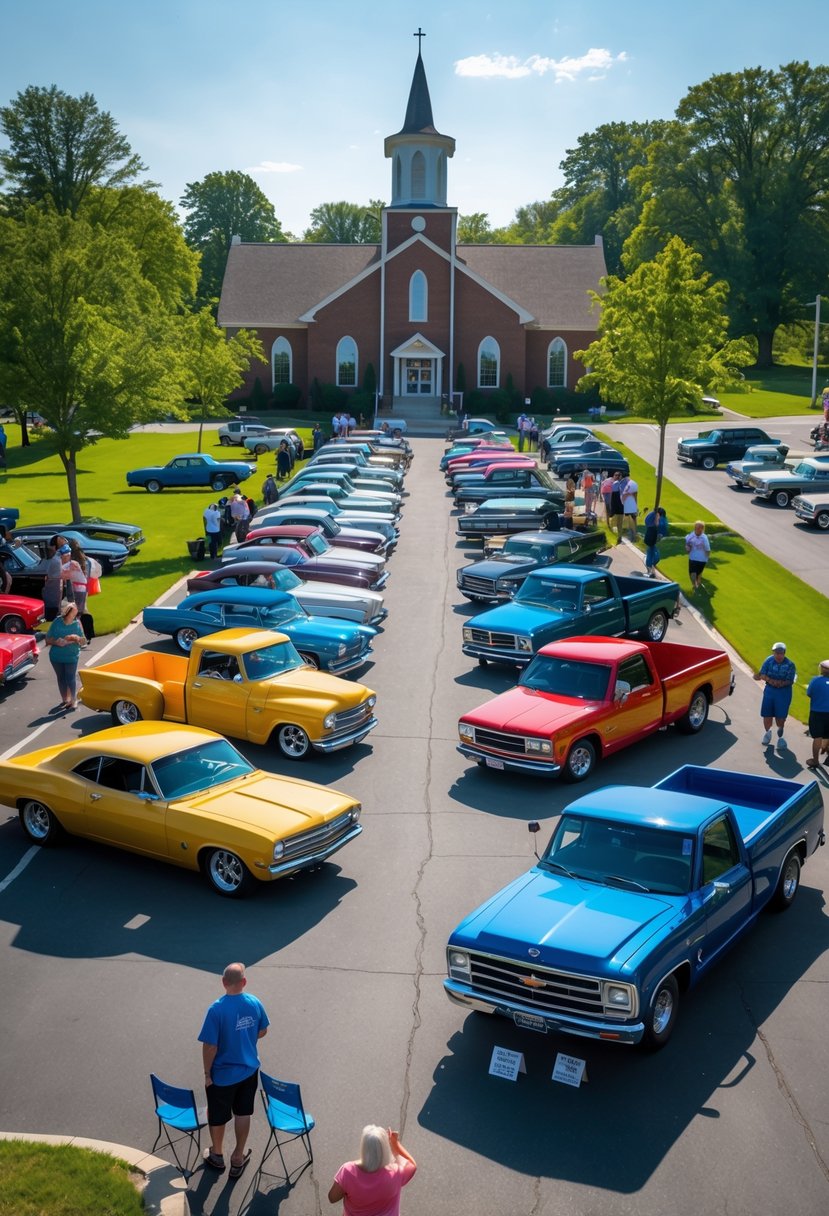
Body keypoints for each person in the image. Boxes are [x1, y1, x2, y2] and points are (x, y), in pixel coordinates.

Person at [199, 962, 269, 1179]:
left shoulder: (216, 1009)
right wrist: (245, 1038)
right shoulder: (254, 1002)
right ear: (244, 982)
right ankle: (238, 1157)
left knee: (218, 1116)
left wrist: (207, 1074)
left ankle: (217, 1154)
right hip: (249, 1071)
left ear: (223, 982)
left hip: (222, 1076)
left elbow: (211, 1046)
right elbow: (263, 1030)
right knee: (243, 1112)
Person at [328, 1125, 416, 1215]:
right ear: (385, 1149)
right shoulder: (396, 1173)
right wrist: (394, 1144)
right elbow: (412, 1164)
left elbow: (332, 1198)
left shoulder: (348, 1172)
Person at [753, 642, 797, 751]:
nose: (778, 655)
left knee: (780, 717)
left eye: (780, 653)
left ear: (784, 653)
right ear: (773, 652)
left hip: (783, 693)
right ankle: (768, 734)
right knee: (767, 714)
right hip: (770, 691)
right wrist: (770, 680)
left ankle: (780, 738)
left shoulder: (790, 665)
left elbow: (789, 681)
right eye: (776, 653)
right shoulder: (768, 660)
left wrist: (780, 683)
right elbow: (762, 674)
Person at [45, 600, 87, 711]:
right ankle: (65, 700)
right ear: (67, 613)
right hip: (56, 656)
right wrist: (56, 642)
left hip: (72, 656)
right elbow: (47, 640)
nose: (76, 615)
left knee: (70, 677)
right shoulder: (57, 622)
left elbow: (84, 641)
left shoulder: (77, 623)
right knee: (61, 678)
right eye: (74, 612)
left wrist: (77, 638)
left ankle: (73, 700)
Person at [805, 658, 829, 769]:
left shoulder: (815, 680)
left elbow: (809, 693)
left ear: (822, 669)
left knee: (817, 737)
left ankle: (815, 761)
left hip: (817, 713)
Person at [43, 535, 71, 621]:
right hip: (59, 582)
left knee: (55, 601)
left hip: (56, 583)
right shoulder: (61, 554)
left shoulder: (57, 557)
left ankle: (54, 615)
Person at [685, 520, 710, 593]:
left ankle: (697, 584)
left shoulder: (704, 538)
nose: (698, 529)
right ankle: (695, 585)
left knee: (698, 574)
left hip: (702, 560)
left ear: (702, 529)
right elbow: (687, 543)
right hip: (692, 558)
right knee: (692, 574)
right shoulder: (691, 535)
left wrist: (707, 559)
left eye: (700, 528)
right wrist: (687, 547)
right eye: (697, 527)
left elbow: (708, 550)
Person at [643, 506, 669, 577]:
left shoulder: (653, 518)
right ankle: (649, 569)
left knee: (652, 552)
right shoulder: (654, 519)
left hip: (651, 538)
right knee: (653, 553)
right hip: (651, 538)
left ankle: (650, 568)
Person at [67, 539, 89, 615]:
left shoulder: (70, 560)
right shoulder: (85, 559)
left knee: (71, 611)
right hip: (83, 588)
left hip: (73, 588)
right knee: (81, 610)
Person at [621, 474, 639, 540]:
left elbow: (624, 496)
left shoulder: (626, 485)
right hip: (632, 505)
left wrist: (622, 503)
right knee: (633, 519)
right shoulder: (633, 484)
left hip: (627, 506)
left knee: (628, 519)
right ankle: (634, 534)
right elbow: (635, 495)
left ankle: (631, 534)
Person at [609, 473, 625, 544]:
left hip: (615, 510)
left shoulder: (615, 485)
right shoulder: (623, 486)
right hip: (621, 509)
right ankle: (619, 537)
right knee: (620, 525)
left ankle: (615, 538)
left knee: (613, 524)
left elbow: (612, 500)